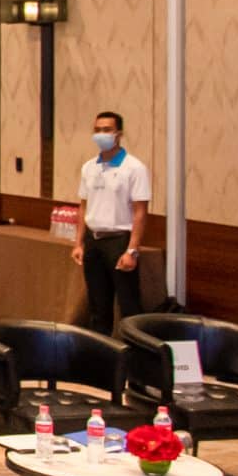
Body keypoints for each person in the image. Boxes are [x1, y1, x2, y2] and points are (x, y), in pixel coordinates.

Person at [76, 110, 153, 329]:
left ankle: (136, 357)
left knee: (128, 305)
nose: (102, 134)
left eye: (107, 130)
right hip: (93, 241)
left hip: (119, 241)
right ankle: (100, 355)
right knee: (98, 305)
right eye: (97, 130)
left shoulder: (134, 168)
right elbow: (83, 207)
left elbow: (140, 212)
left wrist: (132, 250)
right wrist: (79, 243)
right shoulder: (89, 167)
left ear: (118, 133)